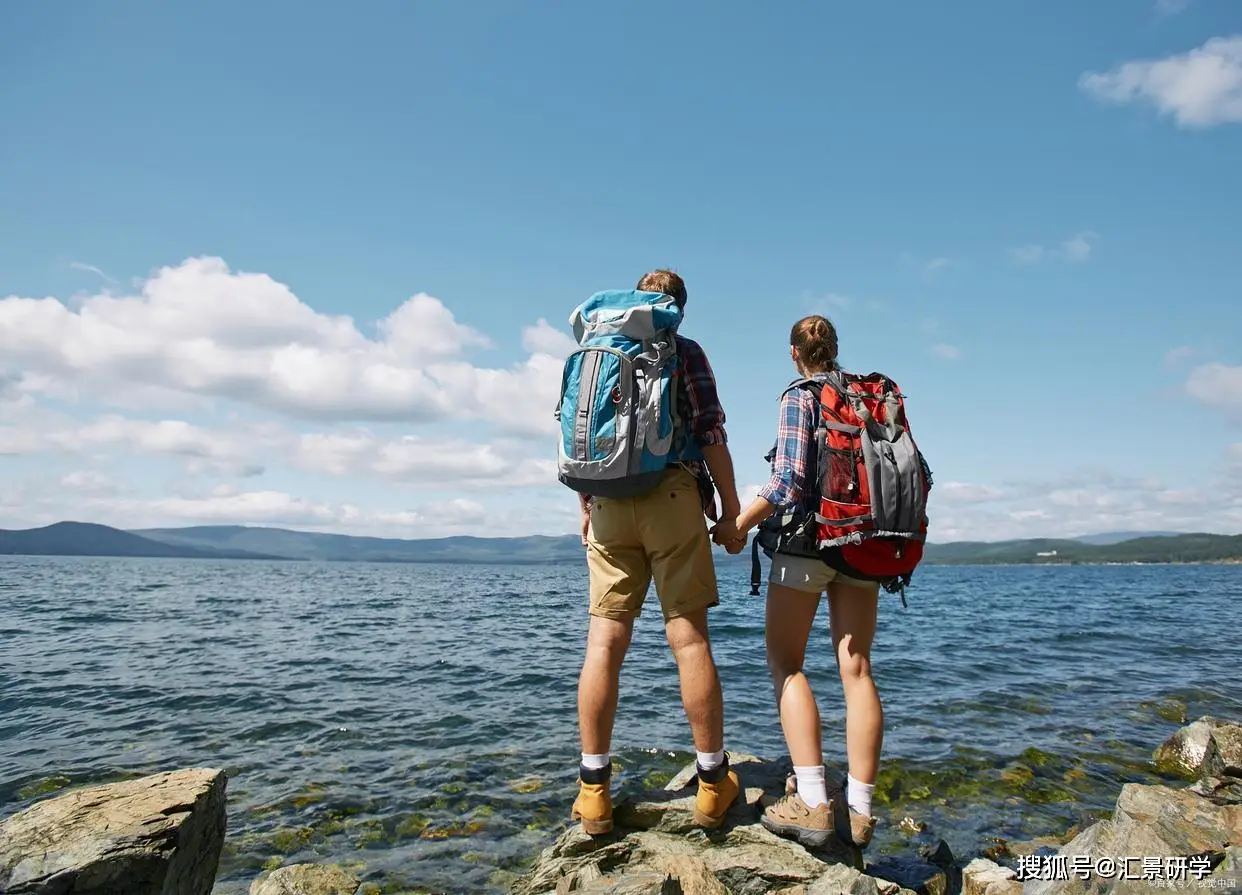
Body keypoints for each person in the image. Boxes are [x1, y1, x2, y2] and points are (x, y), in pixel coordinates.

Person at [571, 269, 746, 836]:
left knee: (604, 643)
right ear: (679, 309)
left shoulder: (600, 347)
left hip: (607, 501)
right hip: (672, 493)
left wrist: (588, 506)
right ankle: (714, 786)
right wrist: (729, 509)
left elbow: (581, 434)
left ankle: (594, 792)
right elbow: (711, 431)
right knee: (688, 637)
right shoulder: (685, 351)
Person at [713, 314, 882, 850]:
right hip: (863, 544)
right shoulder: (865, 396)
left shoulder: (799, 395)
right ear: (834, 350)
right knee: (856, 671)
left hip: (808, 544)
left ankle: (811, 799)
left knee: (787, 664)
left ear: (794, 353)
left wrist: (737, 523)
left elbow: (789, 480)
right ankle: (859, 810)